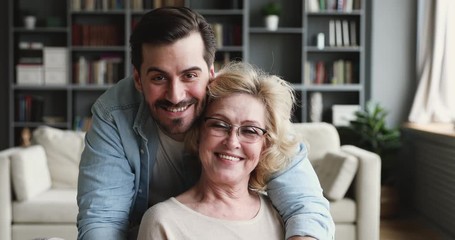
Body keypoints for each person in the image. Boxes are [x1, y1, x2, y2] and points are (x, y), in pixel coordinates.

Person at [77, 7, 334, 240]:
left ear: (211, 72)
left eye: (189, 75)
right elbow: (103, 221)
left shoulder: (243, 105)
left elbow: (306, 205)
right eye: (158, 78)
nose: (175, 95)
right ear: (138, 79)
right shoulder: (113, 114)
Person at [137, 61, 301, 239]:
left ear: (265, 145)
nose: (232, 142)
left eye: (250, 131)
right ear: (199, 132)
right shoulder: (163, 222)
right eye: (219, 125)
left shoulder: (284, 219)